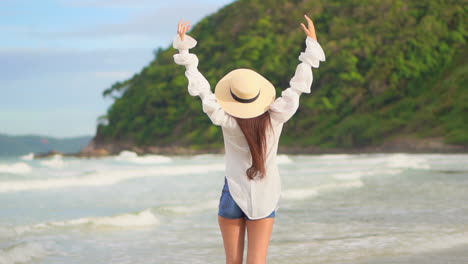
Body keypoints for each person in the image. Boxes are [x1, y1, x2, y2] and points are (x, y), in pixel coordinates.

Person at [173, 14, 325, 264]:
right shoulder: (277, 116)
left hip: (233, 191)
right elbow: (297, 86)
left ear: (232, 97)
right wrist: (312, 46)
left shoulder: (226, 119)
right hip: (265, 194)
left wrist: (185, 49)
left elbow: (203, 91)